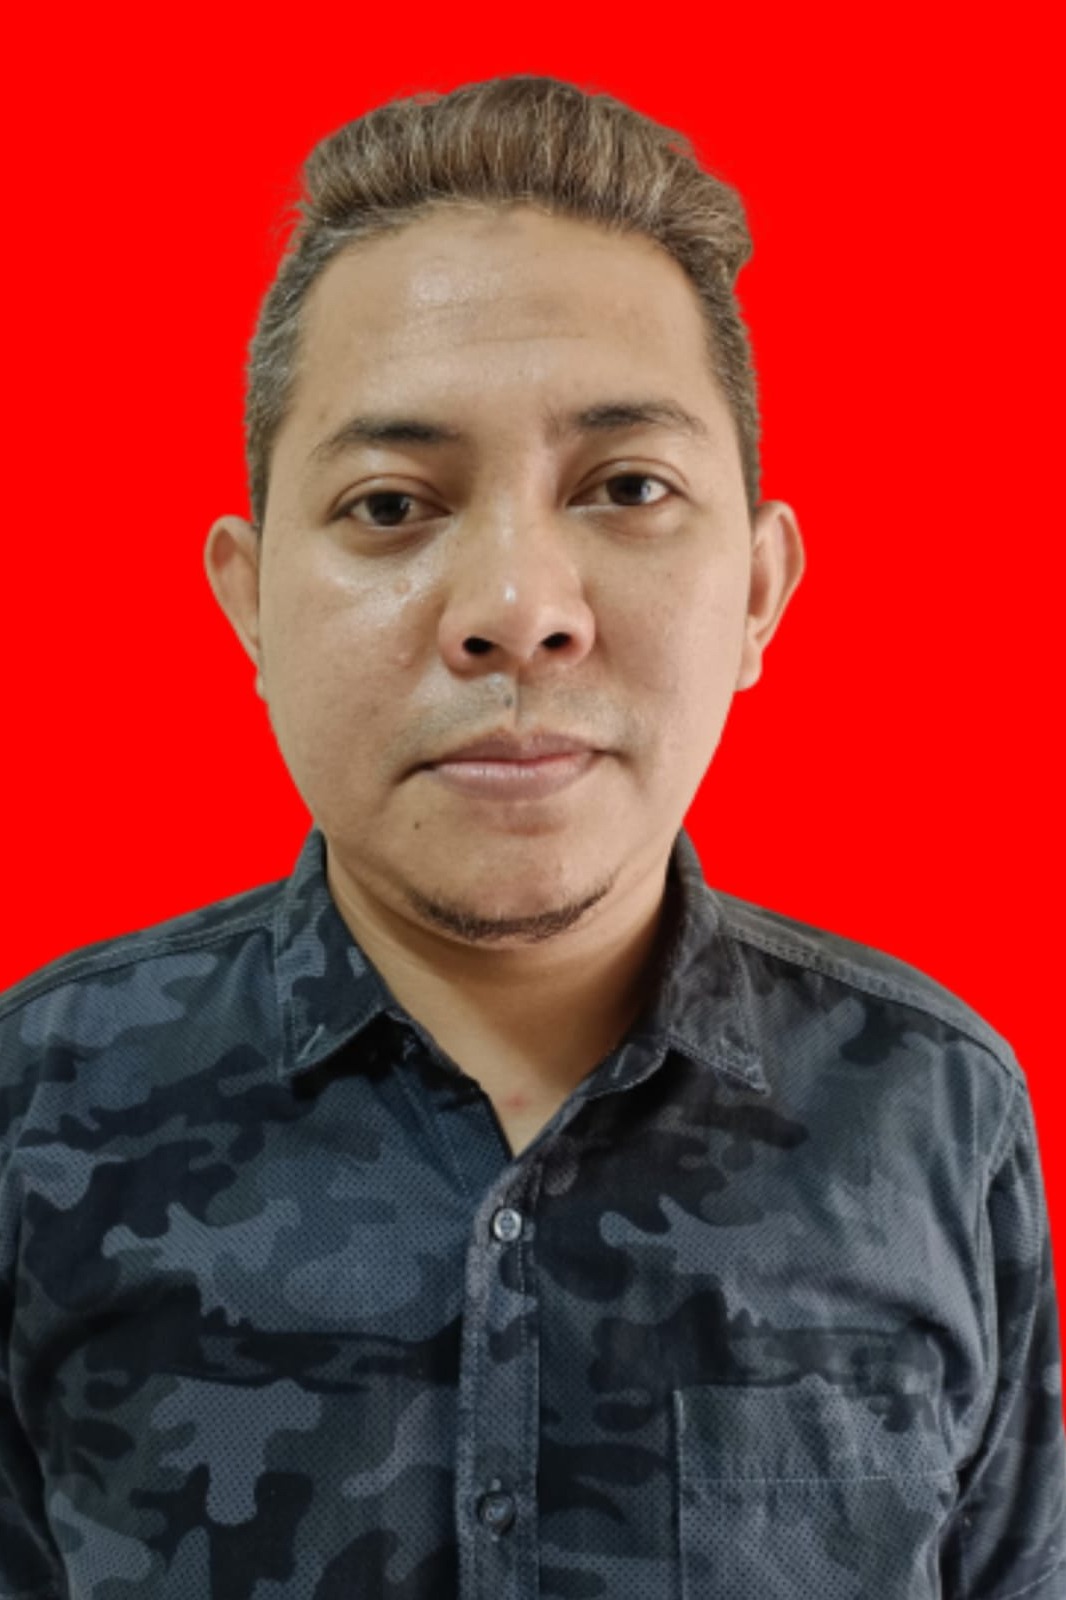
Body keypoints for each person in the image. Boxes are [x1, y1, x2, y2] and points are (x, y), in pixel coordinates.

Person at [1, 74, 1062, 1600]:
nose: (517, 609)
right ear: (249, 601)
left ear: (757, 592)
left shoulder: (933, 1109)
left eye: (626, 487)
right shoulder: (40, 1104)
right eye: (389, 505)